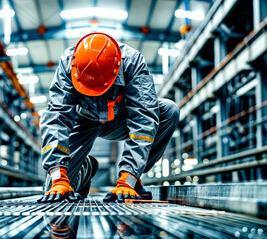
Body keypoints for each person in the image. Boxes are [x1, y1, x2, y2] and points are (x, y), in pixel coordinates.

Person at [37, 32, 179, 203]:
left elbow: (143, 117)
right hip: (83, 121)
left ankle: (134, 179)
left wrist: (128, 179)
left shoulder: (132, 62)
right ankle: (86, 167)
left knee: (169, 111)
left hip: (120, 121)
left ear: (116, 68)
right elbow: (56, 116)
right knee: (55, 193)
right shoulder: (68, 62)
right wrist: (58, 177)